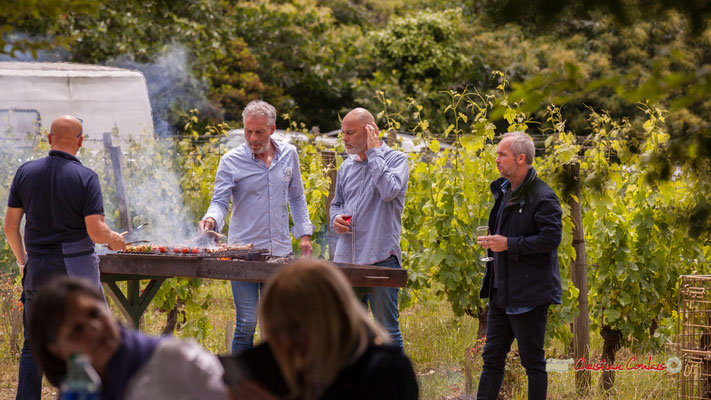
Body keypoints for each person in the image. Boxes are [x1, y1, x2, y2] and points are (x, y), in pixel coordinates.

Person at [3, 115, 126, 400]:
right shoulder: (86, 178)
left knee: (32, 345)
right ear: (81, 141)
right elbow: (96, 232)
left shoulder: (25, 172)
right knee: (83, 344)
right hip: (76, 275)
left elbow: (10, 226)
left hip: (38, 270)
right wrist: (114, 239)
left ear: (49, 138)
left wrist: (23, 262)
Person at [198, 100, 313, 355]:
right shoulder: (231, 161)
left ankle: (276, 383)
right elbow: (219, 202)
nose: (252, 137)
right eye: (248, 131)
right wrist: (211, 220)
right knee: (247, 323)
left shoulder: (289, 154)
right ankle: (241, 386)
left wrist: (304, 234)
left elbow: (296, 197)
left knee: (278, 325)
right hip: (243, 254)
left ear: (272, 129)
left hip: (280, 252)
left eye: (259, 131)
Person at [230, 259, 419, 400]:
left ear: (328, 320)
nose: (286, 342)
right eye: (276, 332)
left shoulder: (387, 371)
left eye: (295, 329)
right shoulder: (294, 367)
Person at [29, 276, 228, 400]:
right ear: (55, 349)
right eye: (77, 329)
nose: (95, 328)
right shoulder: (75, 392)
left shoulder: (176, 360)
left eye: (94, 313)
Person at [475, 131, 563, 400]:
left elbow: (551, 238)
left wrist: (508, 244)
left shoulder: (543, 196)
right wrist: (496, 243)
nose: (496, 159)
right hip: (501, 292)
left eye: (502, 154)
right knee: (491, 359)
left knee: (533, 364)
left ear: (521, 158)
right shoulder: (503, 190)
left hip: (528, 294)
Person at [329, 108, 409, 349]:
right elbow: (336, 204)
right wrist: (335, 219)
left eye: (350, 133)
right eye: (343, 133)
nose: (344, 138)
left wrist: (374, 153)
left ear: (370, 131)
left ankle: (395, 386)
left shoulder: (397, 160)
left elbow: (388, 192)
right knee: (349, 330)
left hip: (381, 259)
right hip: (348, 260)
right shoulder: (346, 167)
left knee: (387, 330)